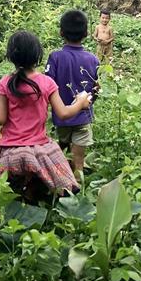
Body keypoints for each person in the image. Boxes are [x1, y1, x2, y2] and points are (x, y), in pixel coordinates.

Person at [0, 30, 91, 200]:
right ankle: (36, 196)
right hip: (39, 146)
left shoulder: (5, 82)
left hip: (9, 148)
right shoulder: (46, 83)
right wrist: (81, 103)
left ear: (12, 57)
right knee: (63, 181)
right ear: (37, 55)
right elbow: (63, 113)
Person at [45, 9, 100, 179]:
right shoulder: (93, 59)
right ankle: (77, 183)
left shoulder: (55, 57)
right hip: (83, 116)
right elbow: (96, 89)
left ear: (61, 32)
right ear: (86, 33)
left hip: (62, 116)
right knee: (78, 158)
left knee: (62, 148)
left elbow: (47, 85)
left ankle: (59, 181)